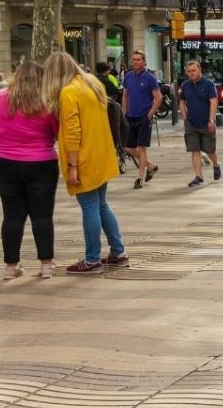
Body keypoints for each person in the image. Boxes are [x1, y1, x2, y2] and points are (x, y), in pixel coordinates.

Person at [42, 52, 127, 275]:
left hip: (84, 157)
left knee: (90, 206)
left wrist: (72, 167)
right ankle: (118, 252)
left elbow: (72, 132)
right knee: (101, 204)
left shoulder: (68, 92)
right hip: (101, 153)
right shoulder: (91, 84)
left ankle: (92, 259)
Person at [0, 62, 58, 280]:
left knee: (12, 216)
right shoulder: (47, 101)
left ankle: (11, 266)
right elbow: (57, 130)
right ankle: (46, 265)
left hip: (4, 162)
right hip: (41, 163)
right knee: (42, 215)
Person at [121, 50, 161, 189]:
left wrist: (149, 114)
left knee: (141, 147)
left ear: (144, 62)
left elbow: (158, 98)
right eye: (133, 60)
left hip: (143, 117)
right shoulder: (128, 77)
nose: (135, 62)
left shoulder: (150, 78)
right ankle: (150, 166)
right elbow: (125, 95)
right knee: (128, 147)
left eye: (138, 59)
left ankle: (140, 178)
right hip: (130, 117)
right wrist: (124, 112)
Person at [179, 60, 221, 187]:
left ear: (200, 70)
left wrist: (211, 120)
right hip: (191, 123)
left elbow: (213, 102)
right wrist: (185, 117)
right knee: (194, 149)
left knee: (210, 150)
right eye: (189, 71)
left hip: (206, 122)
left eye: (194, 71)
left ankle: (216, 164)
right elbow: (182, 102)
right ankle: (199, 176)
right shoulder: (185, 85)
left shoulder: (208, 85)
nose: (191, 73)